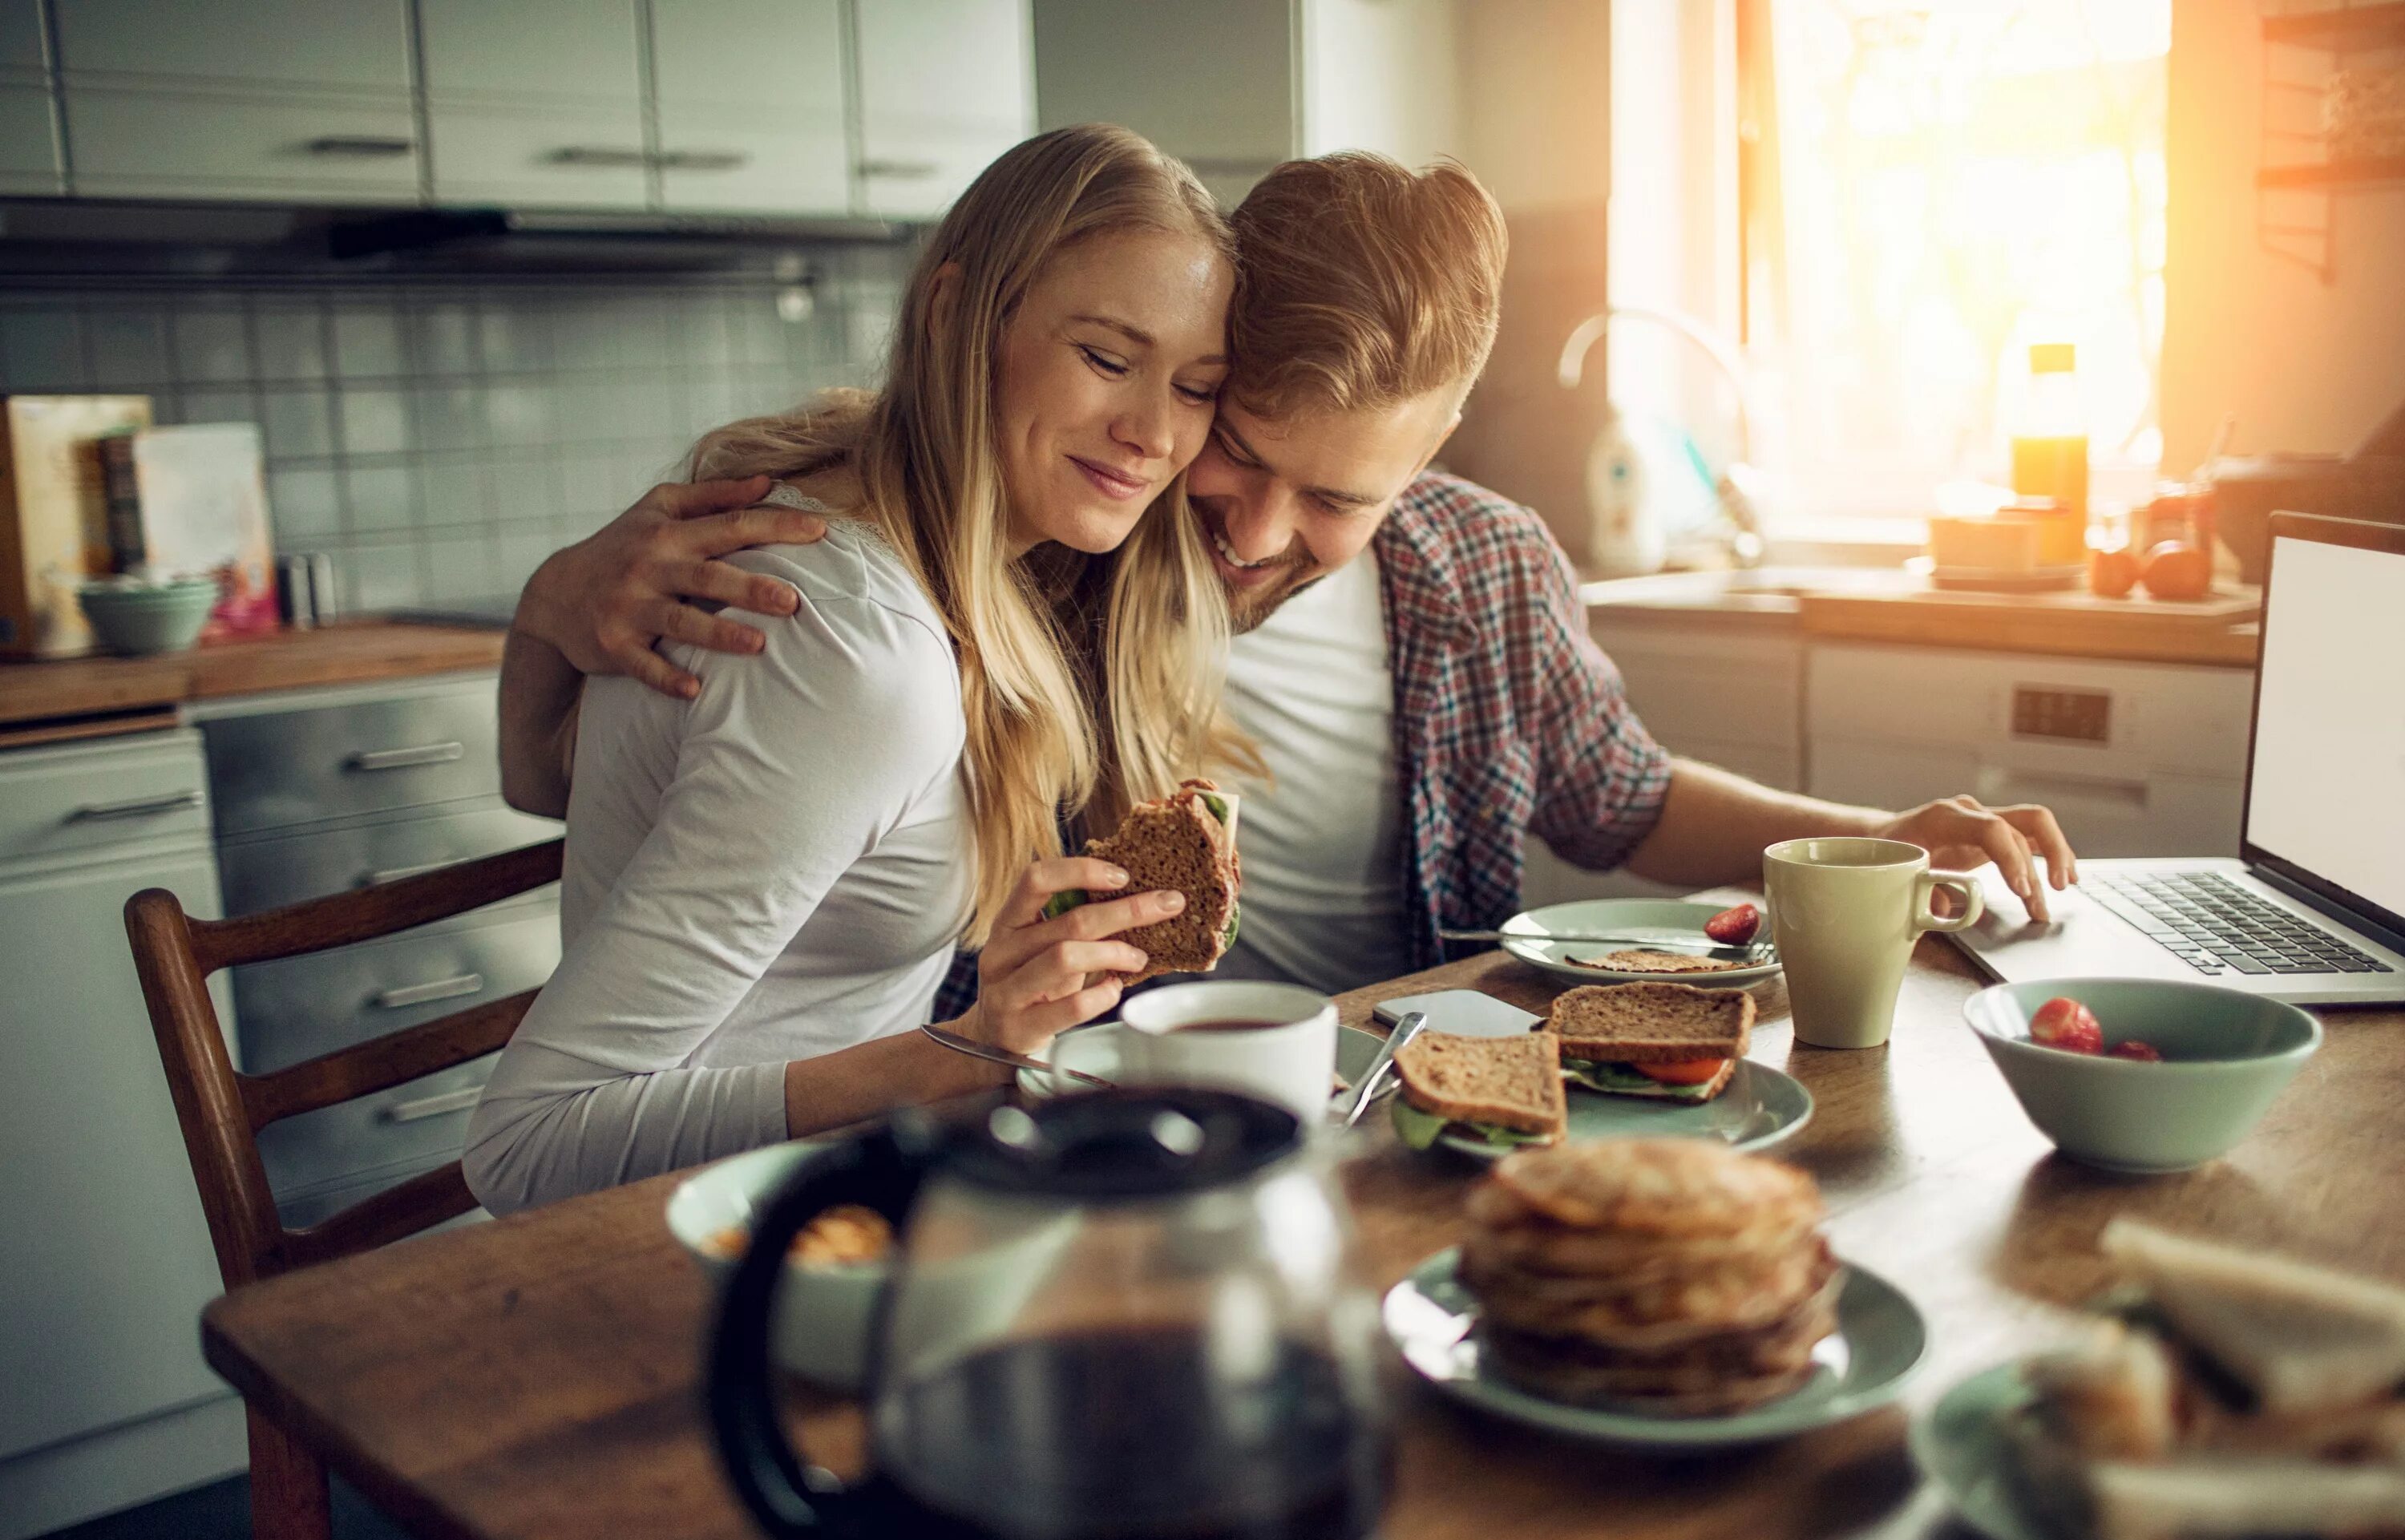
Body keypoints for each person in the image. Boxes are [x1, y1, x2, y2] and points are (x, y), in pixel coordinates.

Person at [502, 150, 2076, 1015]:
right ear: (1204, 373)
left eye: (1336, 501)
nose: (1254, 532)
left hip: (1389, 1091)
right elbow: (615, 808)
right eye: (1235, 448)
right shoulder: (1038, 549)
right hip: (1059, 1111)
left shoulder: (1479, 568)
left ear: (1431, 459)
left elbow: (1622, 802)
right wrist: (552, 605)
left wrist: (1876, 834)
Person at [463, 125, 1237, 1214]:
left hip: (844, 1206)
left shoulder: (874, 527)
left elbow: (553, 786)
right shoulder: (848, 651)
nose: (1154, 431)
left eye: (1197, 386)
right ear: (957, 314)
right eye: (1107, 359)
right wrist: (966, 1051)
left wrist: (551, 607)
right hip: (717, 1257)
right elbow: (526, 1150)